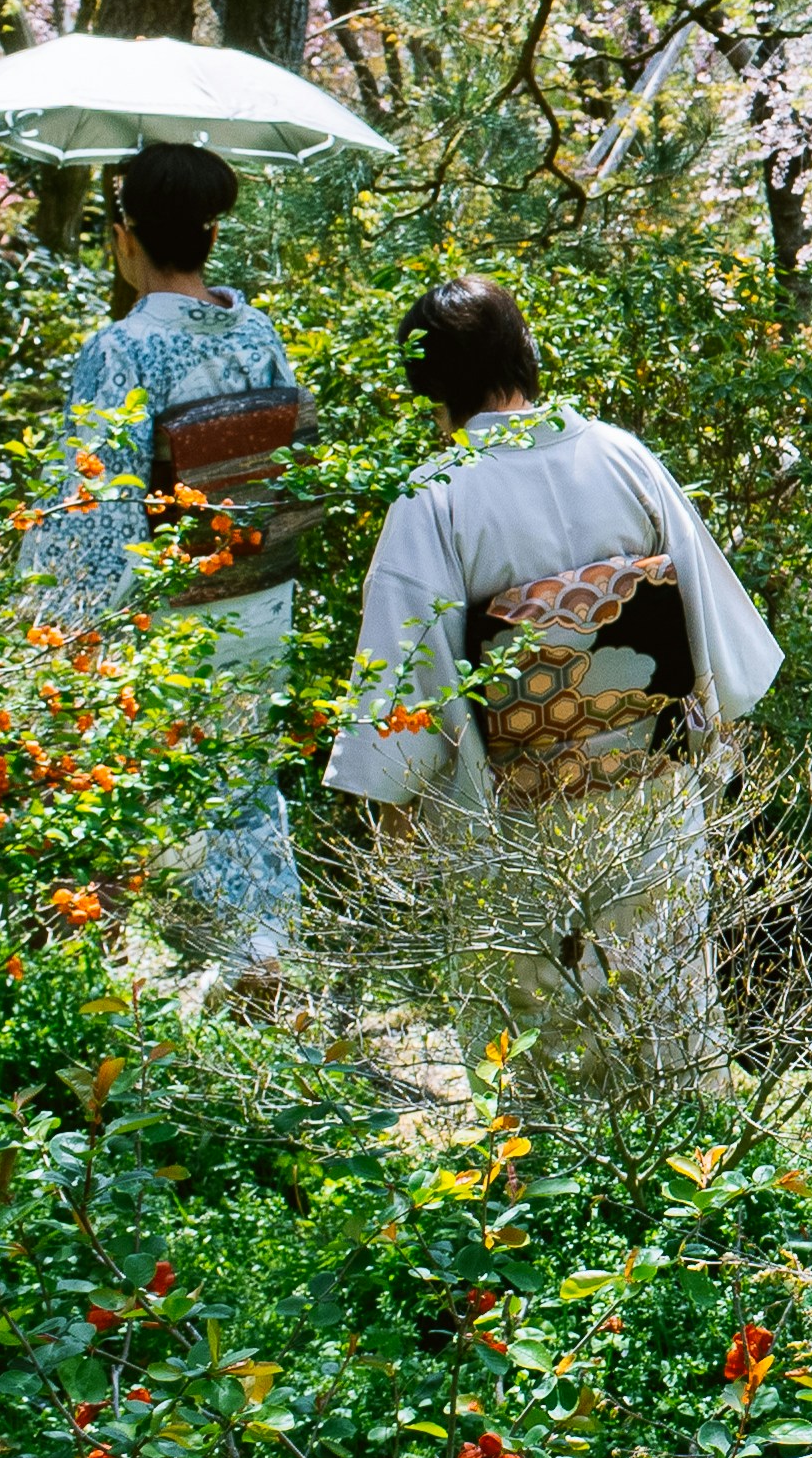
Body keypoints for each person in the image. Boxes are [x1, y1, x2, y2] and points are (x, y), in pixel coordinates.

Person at [327, 279, 781, 1070]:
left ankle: (555, 1188)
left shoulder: (434, 498)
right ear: (525, 355)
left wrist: (395, 805)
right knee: (665, 984)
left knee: (547, 1018)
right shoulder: (619, 454)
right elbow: (708, 613)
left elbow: (407, 674)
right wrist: (722, 737)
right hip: (650, 783)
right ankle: (700, 1173)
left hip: (521, 807)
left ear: (428, 384)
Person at [18, 142, 307, 965]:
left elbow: (95, 503)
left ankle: (149, 973)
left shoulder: (124, 349)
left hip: (172, 604)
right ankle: (267, 954)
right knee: (245, 781)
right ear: (210, 236)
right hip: (256, 588)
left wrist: (67, 619)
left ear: (125, 236)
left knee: (144, 783)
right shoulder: (257, 331)